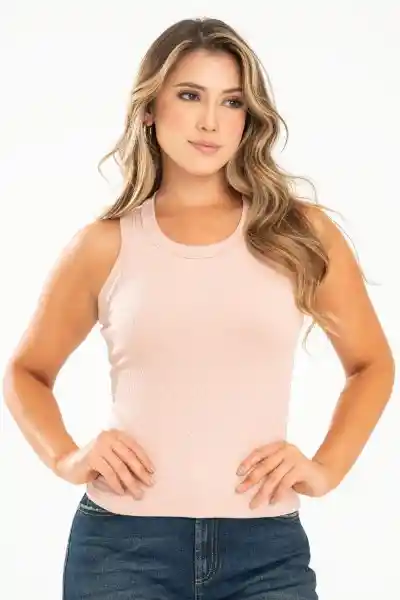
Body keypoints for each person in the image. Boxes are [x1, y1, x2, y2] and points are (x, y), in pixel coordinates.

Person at [3, 16, 394, 600]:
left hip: (265, 552)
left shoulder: (297, 233)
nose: (211, 120)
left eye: (231, 101)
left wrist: (326, 468)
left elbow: (371, 364)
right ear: (150, 108)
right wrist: (66, 457)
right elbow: (26, 372)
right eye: (190, 95)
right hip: (121, 550)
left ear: (248, 118)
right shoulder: (105, 244)